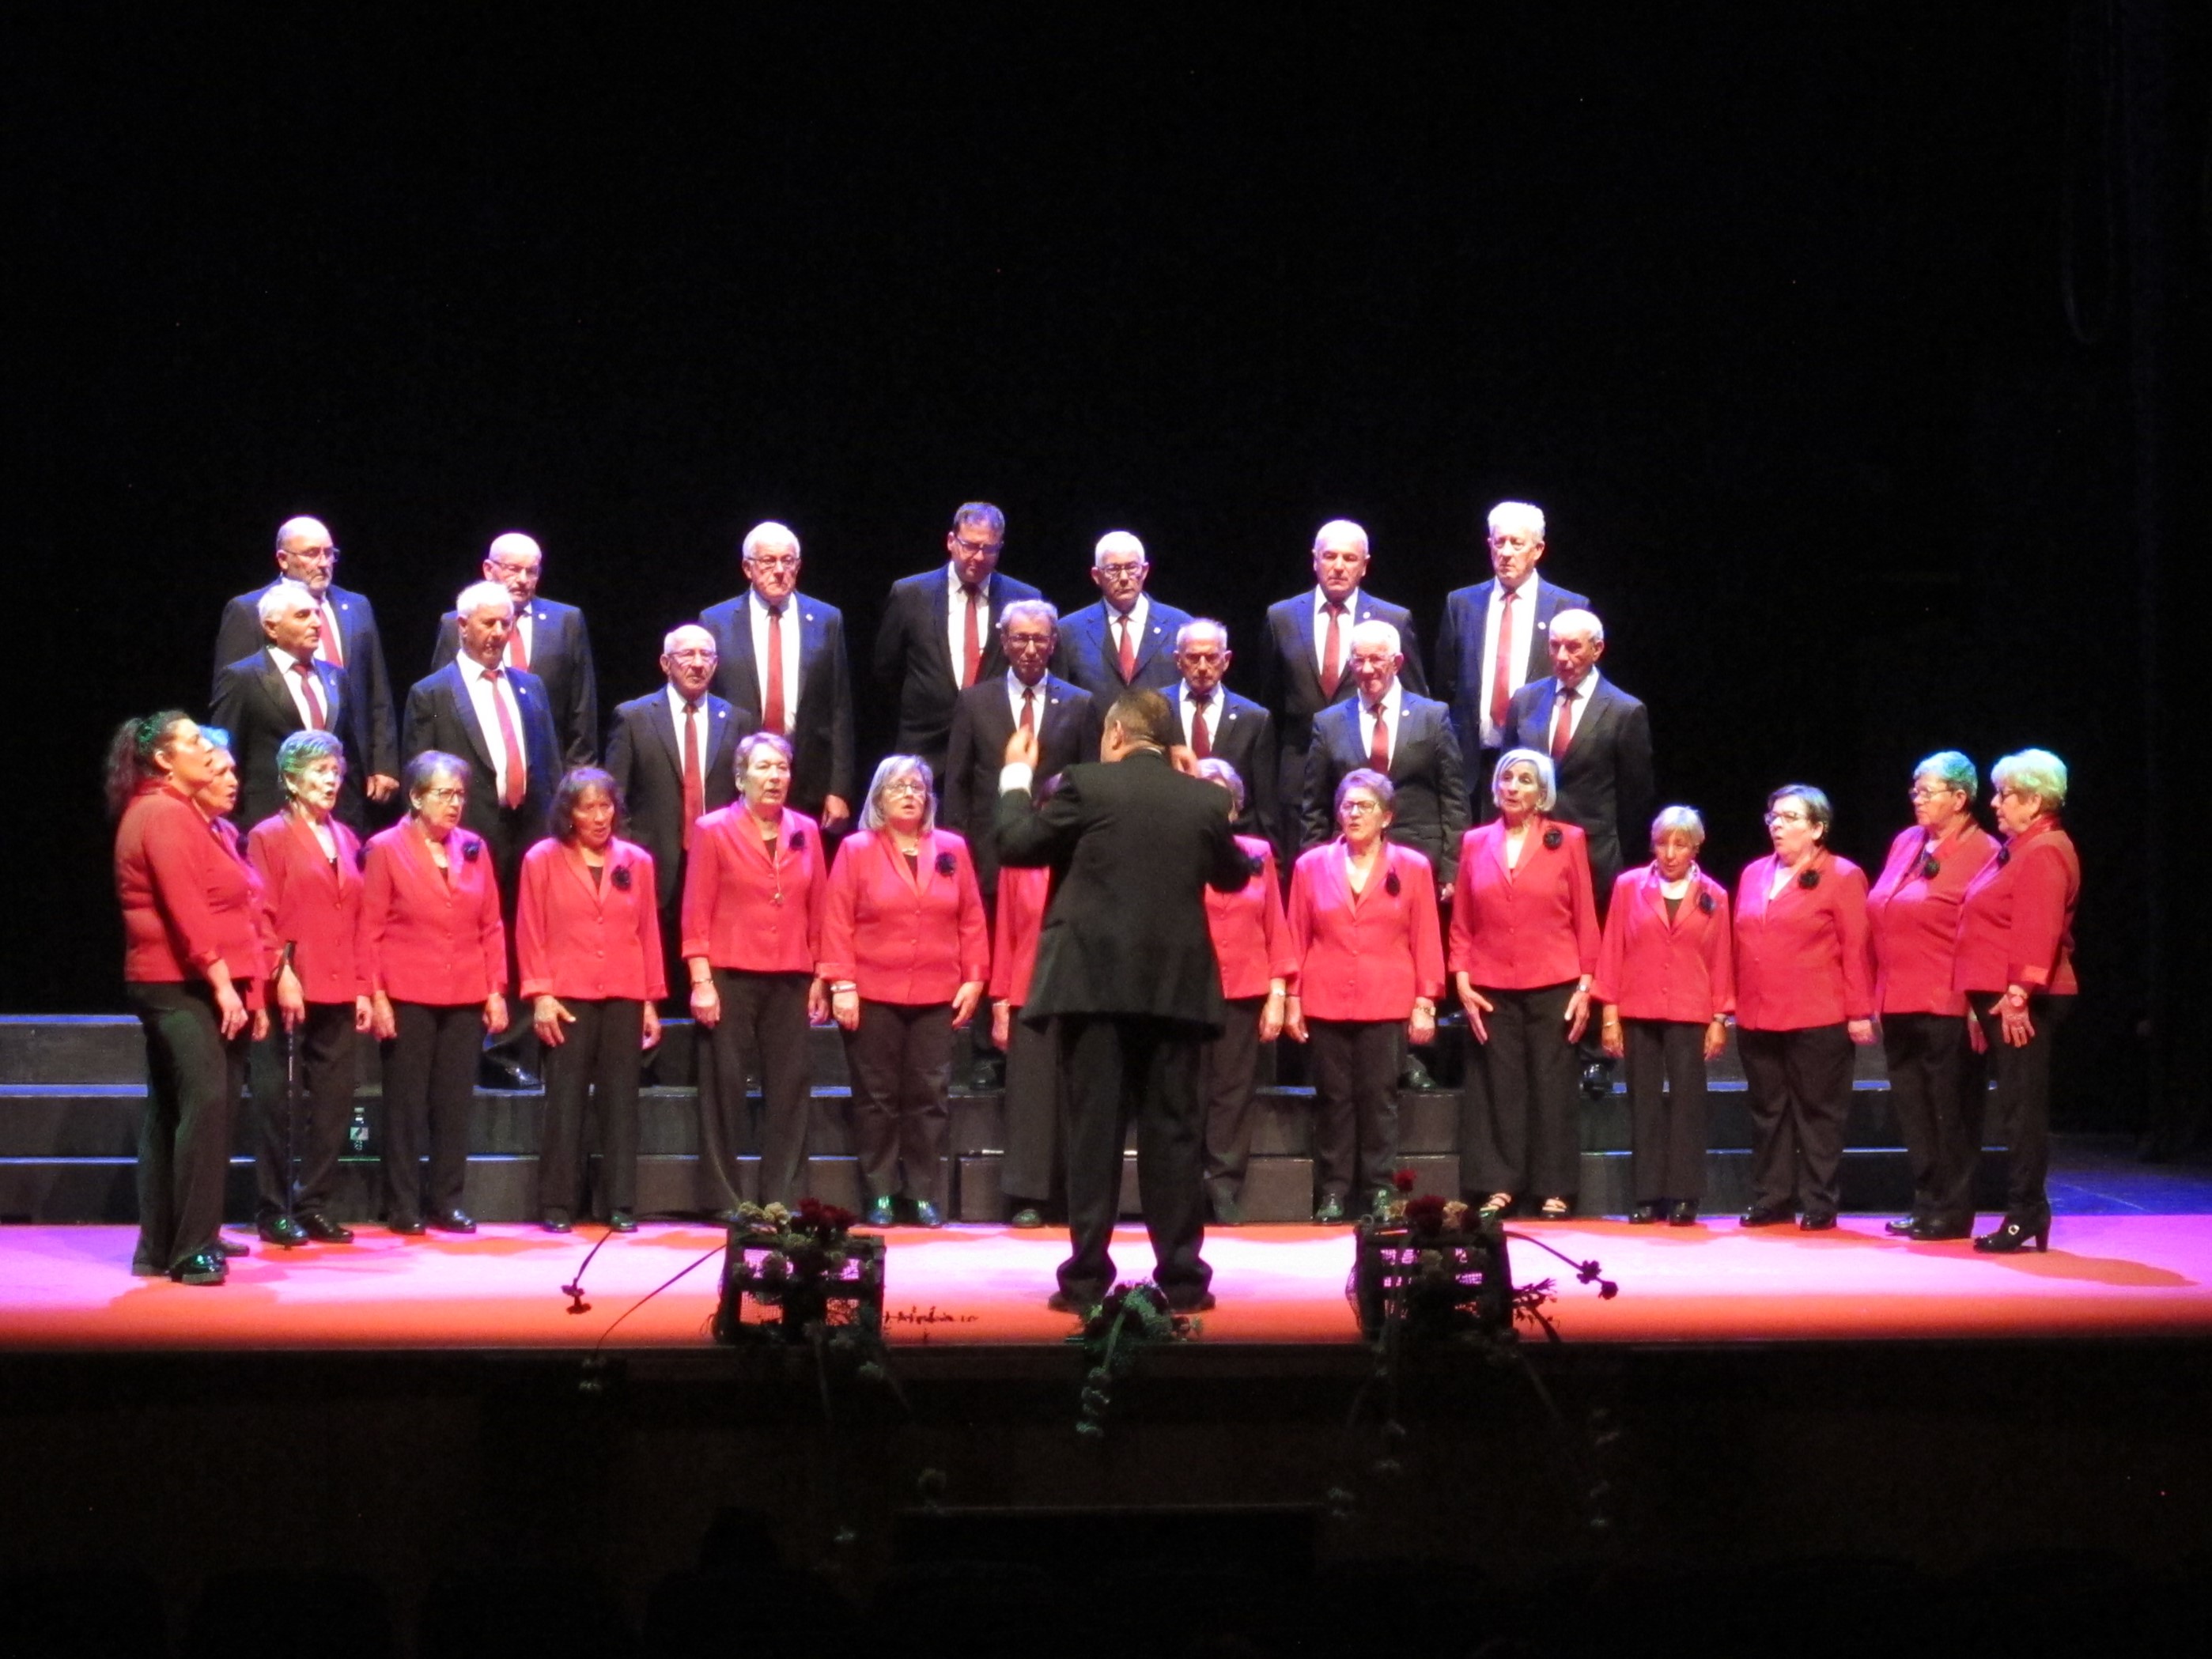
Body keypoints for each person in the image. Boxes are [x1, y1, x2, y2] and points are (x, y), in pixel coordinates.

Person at [996, 688, 1251, 1312]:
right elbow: (1233, 876)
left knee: (1094, 1135)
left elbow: (1016, 843)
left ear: (1114, 734)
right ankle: (1182, 1279)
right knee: (1175, 1136)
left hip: (1094, 988)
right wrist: (1198, 794)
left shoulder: (1085, 784)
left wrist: (1015, 775)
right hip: (1175, 991)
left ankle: (1086, 1280)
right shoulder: (1204, 798)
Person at [110, 713, 270, 1284]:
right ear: (163, 759)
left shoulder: (181, 814)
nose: (206, 748)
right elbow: (187, 908)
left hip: (184, 979)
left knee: (176, 1110)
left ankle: (165, 1244)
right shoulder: (163, 813)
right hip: (178, 982)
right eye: (193, 741)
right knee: (204, 1105)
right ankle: (189, 1249)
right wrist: (223, 982)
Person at [401, 580, 561, 1089]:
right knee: (475, 935)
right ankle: (474, 1048)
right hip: (466, 835)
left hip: (528, 830)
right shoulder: (432, 692)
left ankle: (516, 1047)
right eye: (488, 623)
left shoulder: (530, 686)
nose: (497, 632)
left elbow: (549, 762)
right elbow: (419, 773)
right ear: (462, 626)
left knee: (523, 933)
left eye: (505, 623)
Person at [819, 757, 989, 1228]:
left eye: (917, 787)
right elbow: (836, 918)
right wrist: (842, 984)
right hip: (872, 991)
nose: (910, 794)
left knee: (929, 1095)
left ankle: (922, 1192)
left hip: (937, 992)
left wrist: (974, 978)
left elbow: (972, 918)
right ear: (878, 797)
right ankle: (880, 1193)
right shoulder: (856, 849)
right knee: (876, 1098)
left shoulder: (952, 848)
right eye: (898, 787)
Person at [358, 753, 507, 1234]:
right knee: (405, 1106)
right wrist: (376, 995)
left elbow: (491, 925)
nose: (454, 803)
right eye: (444, 794)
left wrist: (496, 990)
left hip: (464, 991)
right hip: (408, 993)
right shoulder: (385, 848)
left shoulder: (474, 848)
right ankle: (403, 1204)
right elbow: (370, 929)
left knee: (453, 1103)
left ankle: (447, 1200)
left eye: (460, 794)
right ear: (417, 797)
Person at [1284, 769, 1443, 1223]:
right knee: (1333, 1099)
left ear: (1386, 816)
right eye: (1347, 806)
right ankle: (1334, 1191)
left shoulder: (1412, 866)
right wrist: (1292, 998)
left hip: (1386, 999)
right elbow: (1296, 935)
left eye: (1365, 806)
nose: (1354, 814)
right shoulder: (1311, 865)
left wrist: (1425, 1001)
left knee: (1379, 1100)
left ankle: (1378, 1190)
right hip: (1326, 997)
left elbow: (1426, 938)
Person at [682, 731, 829, 1211]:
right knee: (724, 1089)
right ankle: (724, 1198)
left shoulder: (806, 830)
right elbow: (696, 912)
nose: (775, 777)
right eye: (763, 768)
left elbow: (820, 908)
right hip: (729, 974)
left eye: (782, 768)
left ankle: (782, 1197)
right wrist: (701, 981)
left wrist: (821, 977)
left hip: (791, 974)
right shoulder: (713, 829)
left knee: (789, 1090)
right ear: (741, 777)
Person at [1451, 750, 1602, 1219]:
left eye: (1524, 780)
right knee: (1499, 1087)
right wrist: (1461, 977)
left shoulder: (1568, 839)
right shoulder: (1475, 842)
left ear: (1542, 793)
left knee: (1552, 1086)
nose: (1513, 787)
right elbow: (1462, 921)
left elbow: (1585, 915)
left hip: (1555, 979)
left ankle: (1555, 1186)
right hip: (1490, 983)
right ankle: (1501, 1184)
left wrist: (1586, 985)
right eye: (1506, 778)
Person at [516, 767, 664, 1232]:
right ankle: (558, 1204)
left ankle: (621, 1203)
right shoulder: (542, 859)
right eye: (588, 808)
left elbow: (648, 933)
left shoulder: (637, 861)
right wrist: (540, 994)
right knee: (565, 1103)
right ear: (569, 813)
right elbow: (530, 931)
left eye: (606, 806)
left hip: (624, 992)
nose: (600, 817)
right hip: (568, 996)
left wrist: (650, 1000)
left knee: (621, 1103)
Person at [1865, 751, 1998, 1241]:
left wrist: (1976, 1004)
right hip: (1898, 998)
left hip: (1949, 1001)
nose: (1916, 799)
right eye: (1915, 790)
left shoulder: (1985, 850)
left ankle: (1953, 1209)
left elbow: (1987, 931)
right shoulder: (1907, 841)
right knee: (1915, 1110)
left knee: (1951, 1110)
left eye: (1927, 791)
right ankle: (1926, 1202)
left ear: (1960, 798)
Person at [244, 730, 370, 1246]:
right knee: (280, 1101)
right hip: (289, 986)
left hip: (339, 984)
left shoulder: (347, 838)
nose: (331, 780)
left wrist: (363, 986)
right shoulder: (268, 836)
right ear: (292, 779)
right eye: (320, 771)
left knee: (335, 1102)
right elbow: (259, 912)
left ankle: (314, 1201)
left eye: (336, 772)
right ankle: (275, 1207)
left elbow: (359, 917)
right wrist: (281, 971)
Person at [1732, 784, 1875, 1231]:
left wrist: (1859, 1012)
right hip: (1758, 1014)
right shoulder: (1754, 873)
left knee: (1818, 1112)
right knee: (1767, 1111)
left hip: (1818, 1015)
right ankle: (1772, 1198)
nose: (1777, 825)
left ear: (1817, 829)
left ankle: (1818, 1200)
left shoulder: (1843, 875)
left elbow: (1856, 948)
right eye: (1773, 817)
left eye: (1790, 818)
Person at [1955, 750, 2081, 1253]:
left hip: (2025, 999)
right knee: (2013, 1105)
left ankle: (2026, 1211)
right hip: (2000, 995)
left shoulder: (2045, 849)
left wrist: (2017, 994)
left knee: (2021, 1108)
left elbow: (2038, 927)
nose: (1995, 803)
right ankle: (2029, 1209)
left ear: (2033, 800)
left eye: (2005, 794)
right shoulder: (2018, 847)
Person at [1255, 520, 1427, 862]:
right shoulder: (1281, 617)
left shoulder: (1393, 619)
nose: (1338, 566)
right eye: (1330, 556)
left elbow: (1415, 702)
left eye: (1349, 558)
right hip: (1301, 784)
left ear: (1365, 565)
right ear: (1314, 559)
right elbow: (1269, 705)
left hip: (1367, 781)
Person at [1593, 807, 1734, 1225]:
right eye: (1662, 843)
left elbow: (1721, 959)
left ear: (1696, 847)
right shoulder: (1629, 886)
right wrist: (1610, 1014)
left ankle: (1685, 1196)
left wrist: (1719, 1018)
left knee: (1688, 1104)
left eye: (1680, 844)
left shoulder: (1714, 895)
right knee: (1644, 1103)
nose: (1670, 853)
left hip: (1691, 1010)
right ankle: (1647, 1195)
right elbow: (1612, 949)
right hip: (1639, 1008)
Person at [603, 625, 754, 1003]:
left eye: (707, 655)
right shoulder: (633, 717)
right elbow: (615, 797)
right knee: (657, 970)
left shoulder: (737, 720)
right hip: (653, 863)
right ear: (665, 663)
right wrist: (627, 856)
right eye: (687, 654)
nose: (698, 663)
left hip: (720, 864)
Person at [212, 516, 400, 813]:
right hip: (276, 783)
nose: (323, 563)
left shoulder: (356, 606)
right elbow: (233, 703)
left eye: (329, 553)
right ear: (283, 559)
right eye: (312, 553)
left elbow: (376, 688)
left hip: (347, 776)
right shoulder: (249, 609)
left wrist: (383, 762)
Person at [873, 501, 1042, 788]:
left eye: (989, 549)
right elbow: (886, 670)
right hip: (924, 750)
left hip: (994, 750)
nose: (979, 557)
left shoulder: (1023, 598)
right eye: (970, 546)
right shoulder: (910, 594)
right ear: (951, 541)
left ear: (1000, 547)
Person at [943, 599, 1096, 910]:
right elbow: (958, 782)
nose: (1030, 649)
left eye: (1039, 639)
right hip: (989, 855)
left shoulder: (1080, 704)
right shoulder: (974, 702)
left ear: (1053, 642)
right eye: (1020, 638)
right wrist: (960, 850)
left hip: (1057, 859)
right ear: (1004, 641)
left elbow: (1090, 782)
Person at [1192, 759, 1295, 1223]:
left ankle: (1224, 1185)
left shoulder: (1257, 853)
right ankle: (1186, 1186)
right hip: (1189, 990)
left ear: (1235, 808)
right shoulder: (1176, 851)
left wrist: (1278, 992)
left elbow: (1275, 922)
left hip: (1245, 989)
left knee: (1232, 1093)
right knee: (1188, 1092)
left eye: (1223, 800)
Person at [1434, 500, 1590, 803]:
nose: (1506, 553)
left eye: (1517, 543)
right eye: (1499, 542)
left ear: (1538, 549)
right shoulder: (1461, 604)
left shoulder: (1568, 606)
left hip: (1537, 767)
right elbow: (1445, 686)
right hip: (1471, 768)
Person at [702, 521, 856, 827]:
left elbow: (839, 707)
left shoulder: (826, 619)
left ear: (798, 565)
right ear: (748, 568)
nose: (779, 570)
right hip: (737, 776)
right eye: (768, 561)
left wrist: (839, 789)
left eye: (788, 561)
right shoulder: (716, 621)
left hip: (807, 777)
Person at [1500, 609, 1652, 909]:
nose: (1562, 657)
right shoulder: (1525, 700)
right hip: (1526, 850)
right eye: (1555, 646)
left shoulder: (1624, 711)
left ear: (1597, 649)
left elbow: (1636, 797)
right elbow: (1507, 771)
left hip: (1592, 858)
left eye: (1573, 647)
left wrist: (1613, 849)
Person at [1300, 619, 1468, 891]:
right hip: (1349, 865)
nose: (1367, 670)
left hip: (1421, 859)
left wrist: (1452, 869)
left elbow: (1454, 800)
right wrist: (1314, 870)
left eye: (1376, 659)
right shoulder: (1328, 723)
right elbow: (1315, 808)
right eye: (1359, 660)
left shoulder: (1432, 717)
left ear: (1397, 662)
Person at [430, 532, 600, 768]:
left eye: (531, 572)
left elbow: (582, 705)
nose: (523, 580)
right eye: (513, 569)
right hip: (474, 768)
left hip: (547, 768)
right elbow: (440, 700)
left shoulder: (566, 621)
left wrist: (579, 773)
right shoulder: (456, 624)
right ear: (489, 570)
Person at [212, 580, 370, 832]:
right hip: (267, 821)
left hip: (332, 822)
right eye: (302, 615)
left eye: (317, 614)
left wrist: (351, 821)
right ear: (271, 627)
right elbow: (227, 754)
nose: (316, 623)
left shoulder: (336, 677)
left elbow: (347, 755)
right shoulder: (243, 678)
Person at [989, 852, 1059, 1228]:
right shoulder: (1019, 864)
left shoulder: (1101, 853)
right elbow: (1006, 933)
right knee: (1031, 1101)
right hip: (1028, 991)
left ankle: (1079, 1196)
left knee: (1087, 1099)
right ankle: (1029, 1197)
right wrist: (1000, 999)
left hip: (1091, 993)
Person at [1049, 531, 1193, 701]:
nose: (1124, 578)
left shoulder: (1180, 626)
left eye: (1131, 567)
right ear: (1096, 576)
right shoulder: (1069, 631)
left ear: (1144, 571)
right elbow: (1059, 700)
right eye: (1113, 569)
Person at [1172, 620, 1277, 852]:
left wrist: (1270, 861)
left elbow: (1265, 804)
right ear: (1178, 660)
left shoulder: (1254, 719)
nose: (1202, 667)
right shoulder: (1157, 709)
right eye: (1193, 658)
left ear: (1226, 660)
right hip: (1171, 842)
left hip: (1233, 846)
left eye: (1211, 658)